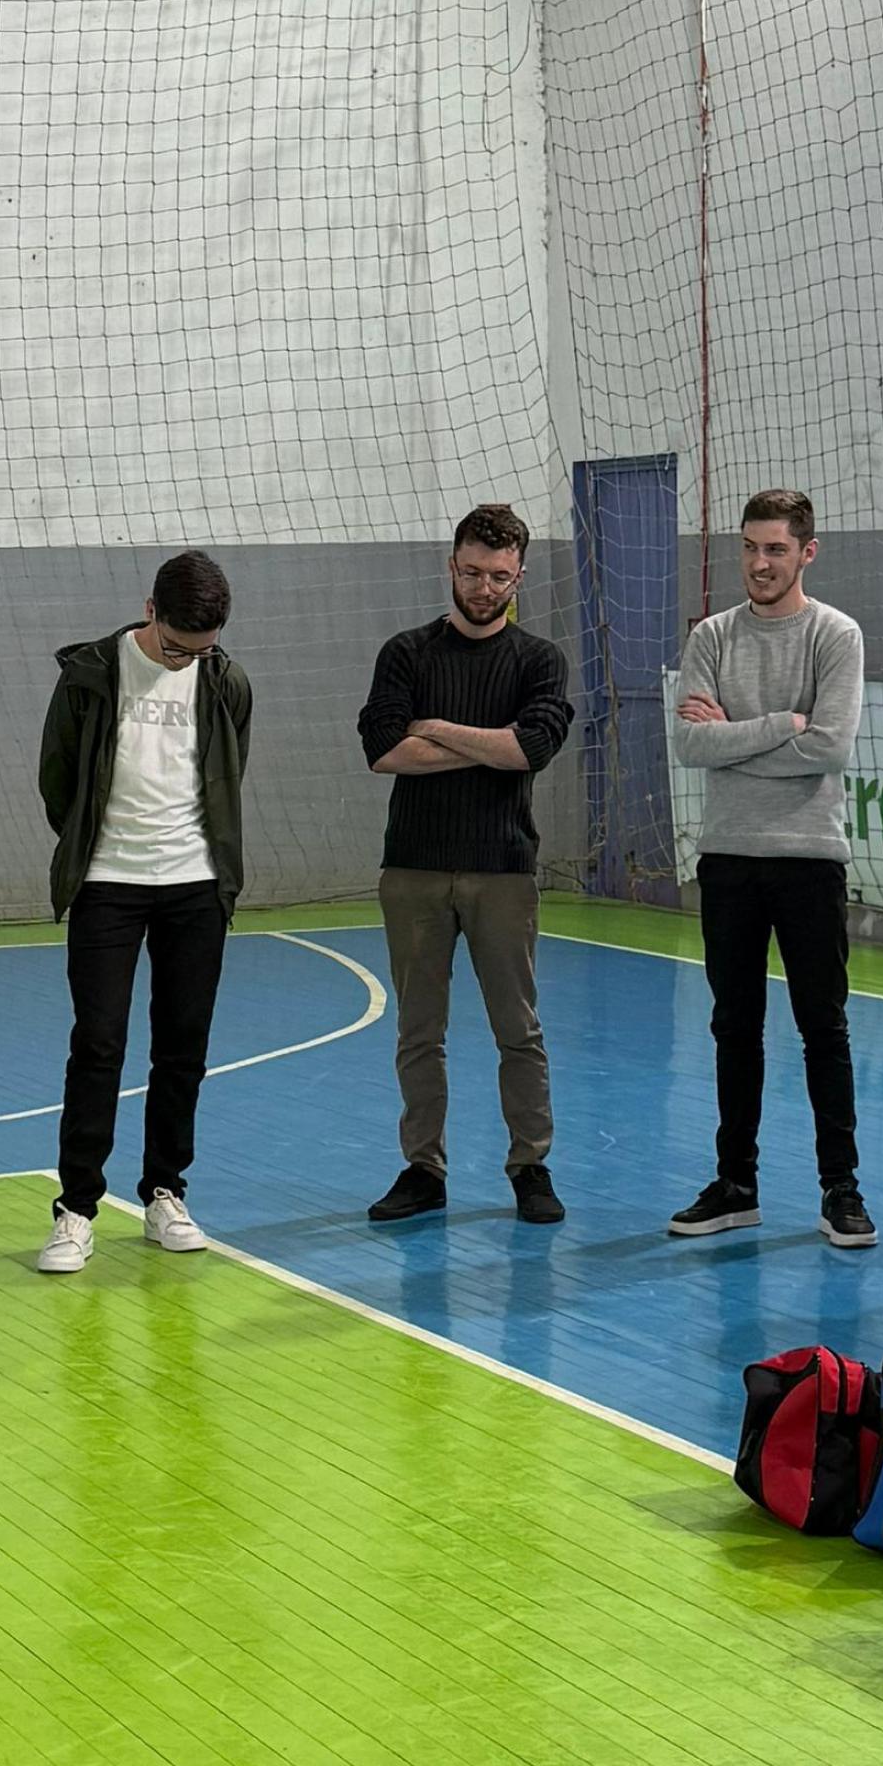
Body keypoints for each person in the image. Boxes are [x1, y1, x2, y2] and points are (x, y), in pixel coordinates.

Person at [358, 502, 575, 1225]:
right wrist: (491, 743)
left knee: (519, 1030)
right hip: (413, 868)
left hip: (503, 870)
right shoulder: (405, 653)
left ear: (520, 577)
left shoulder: (538, 660)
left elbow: (530, 748)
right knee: (420, 1031)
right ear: (451, 566)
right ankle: (424, 1168)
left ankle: (530, 1166)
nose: (485, 588)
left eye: (499, 576)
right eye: (473, 572)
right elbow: (384, 750)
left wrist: (439, 729)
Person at [37, 552, 253, 1278]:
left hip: (196, 886)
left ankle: (166, 1191)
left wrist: (204, 857)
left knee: (182, 1047)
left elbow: (226, 774)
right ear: (149, 610)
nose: (188, 659)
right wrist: (94, 844)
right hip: (108, 884)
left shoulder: (226, 680)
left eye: (203, 650)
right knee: (98, 1044)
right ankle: (76, 1208)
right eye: (177, 646)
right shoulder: (89, 675)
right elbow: (58, 778)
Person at [668, 490, 872, 1249]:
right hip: (728, 859)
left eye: (776, 549)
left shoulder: (835, 635)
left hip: (810, 860)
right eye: (751, 548)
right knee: (734, 1027)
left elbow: (830, 747)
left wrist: (738, 739)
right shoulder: (713, 636)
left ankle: (840, 1189)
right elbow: (691, 744)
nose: (760, 563)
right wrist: (783, 724)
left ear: (806, 553)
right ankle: (736, 1185)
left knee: (824, 1027)